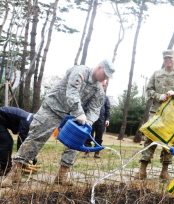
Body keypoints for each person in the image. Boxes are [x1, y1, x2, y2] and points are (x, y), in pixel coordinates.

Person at [1, 59, 115, 188]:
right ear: (99, 67)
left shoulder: (98, 88)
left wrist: (87, 121)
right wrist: (80, 112)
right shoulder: (80, 72)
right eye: (105, 74)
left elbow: (95, 108)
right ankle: (15, 173)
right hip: (52, 108)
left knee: (76, 142)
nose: (105, 78)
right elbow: (72, 93)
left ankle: (61, 176)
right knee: (36, 137)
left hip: (72, 115)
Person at [135, 49, 174, 180]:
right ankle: (142, 170)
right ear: (163, 59)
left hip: (172, 115)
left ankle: (164, 171)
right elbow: (148, 90)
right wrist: (157, 96)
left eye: (170, 58)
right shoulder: (156, 74)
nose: (168, 60)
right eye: (166, 58)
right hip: (156, 112)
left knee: (169, 142)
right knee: (149, 140)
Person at [0, 107, 34, 175]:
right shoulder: (27, 121)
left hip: (2, 120)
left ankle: (6, 166)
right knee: (6, 142)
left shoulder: (31, 118)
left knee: (7, 141)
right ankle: (4, 168)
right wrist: (24, 160)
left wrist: (32, 155)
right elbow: (22, 143)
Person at [83, 80, 111, 158]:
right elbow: (85, 106)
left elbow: (108, 109)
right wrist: (85, 116)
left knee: (99, 137)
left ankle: (97, 152)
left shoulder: (105, 98)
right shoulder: (90, 95)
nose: (102, 87)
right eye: (101, 86)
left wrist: (107, 119)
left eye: (103, 86)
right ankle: (87, 151)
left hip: (101, 120)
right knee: (88, 135)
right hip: (90, 119)